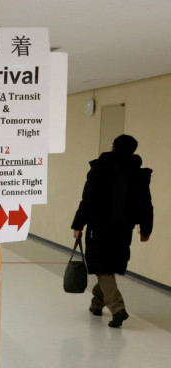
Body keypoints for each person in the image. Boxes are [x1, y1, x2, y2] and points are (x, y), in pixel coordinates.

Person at [71, 134, 153, 327]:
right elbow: (146, 204)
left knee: (103, 266)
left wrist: (78, 224)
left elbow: (88, 199)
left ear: (113, 148)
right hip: (124, 228)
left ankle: (118, 308)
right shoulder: (137, 172)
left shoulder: (100, 168)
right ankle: (97, 304)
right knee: (108, 263)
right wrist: (145, 228)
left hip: (99, 226)